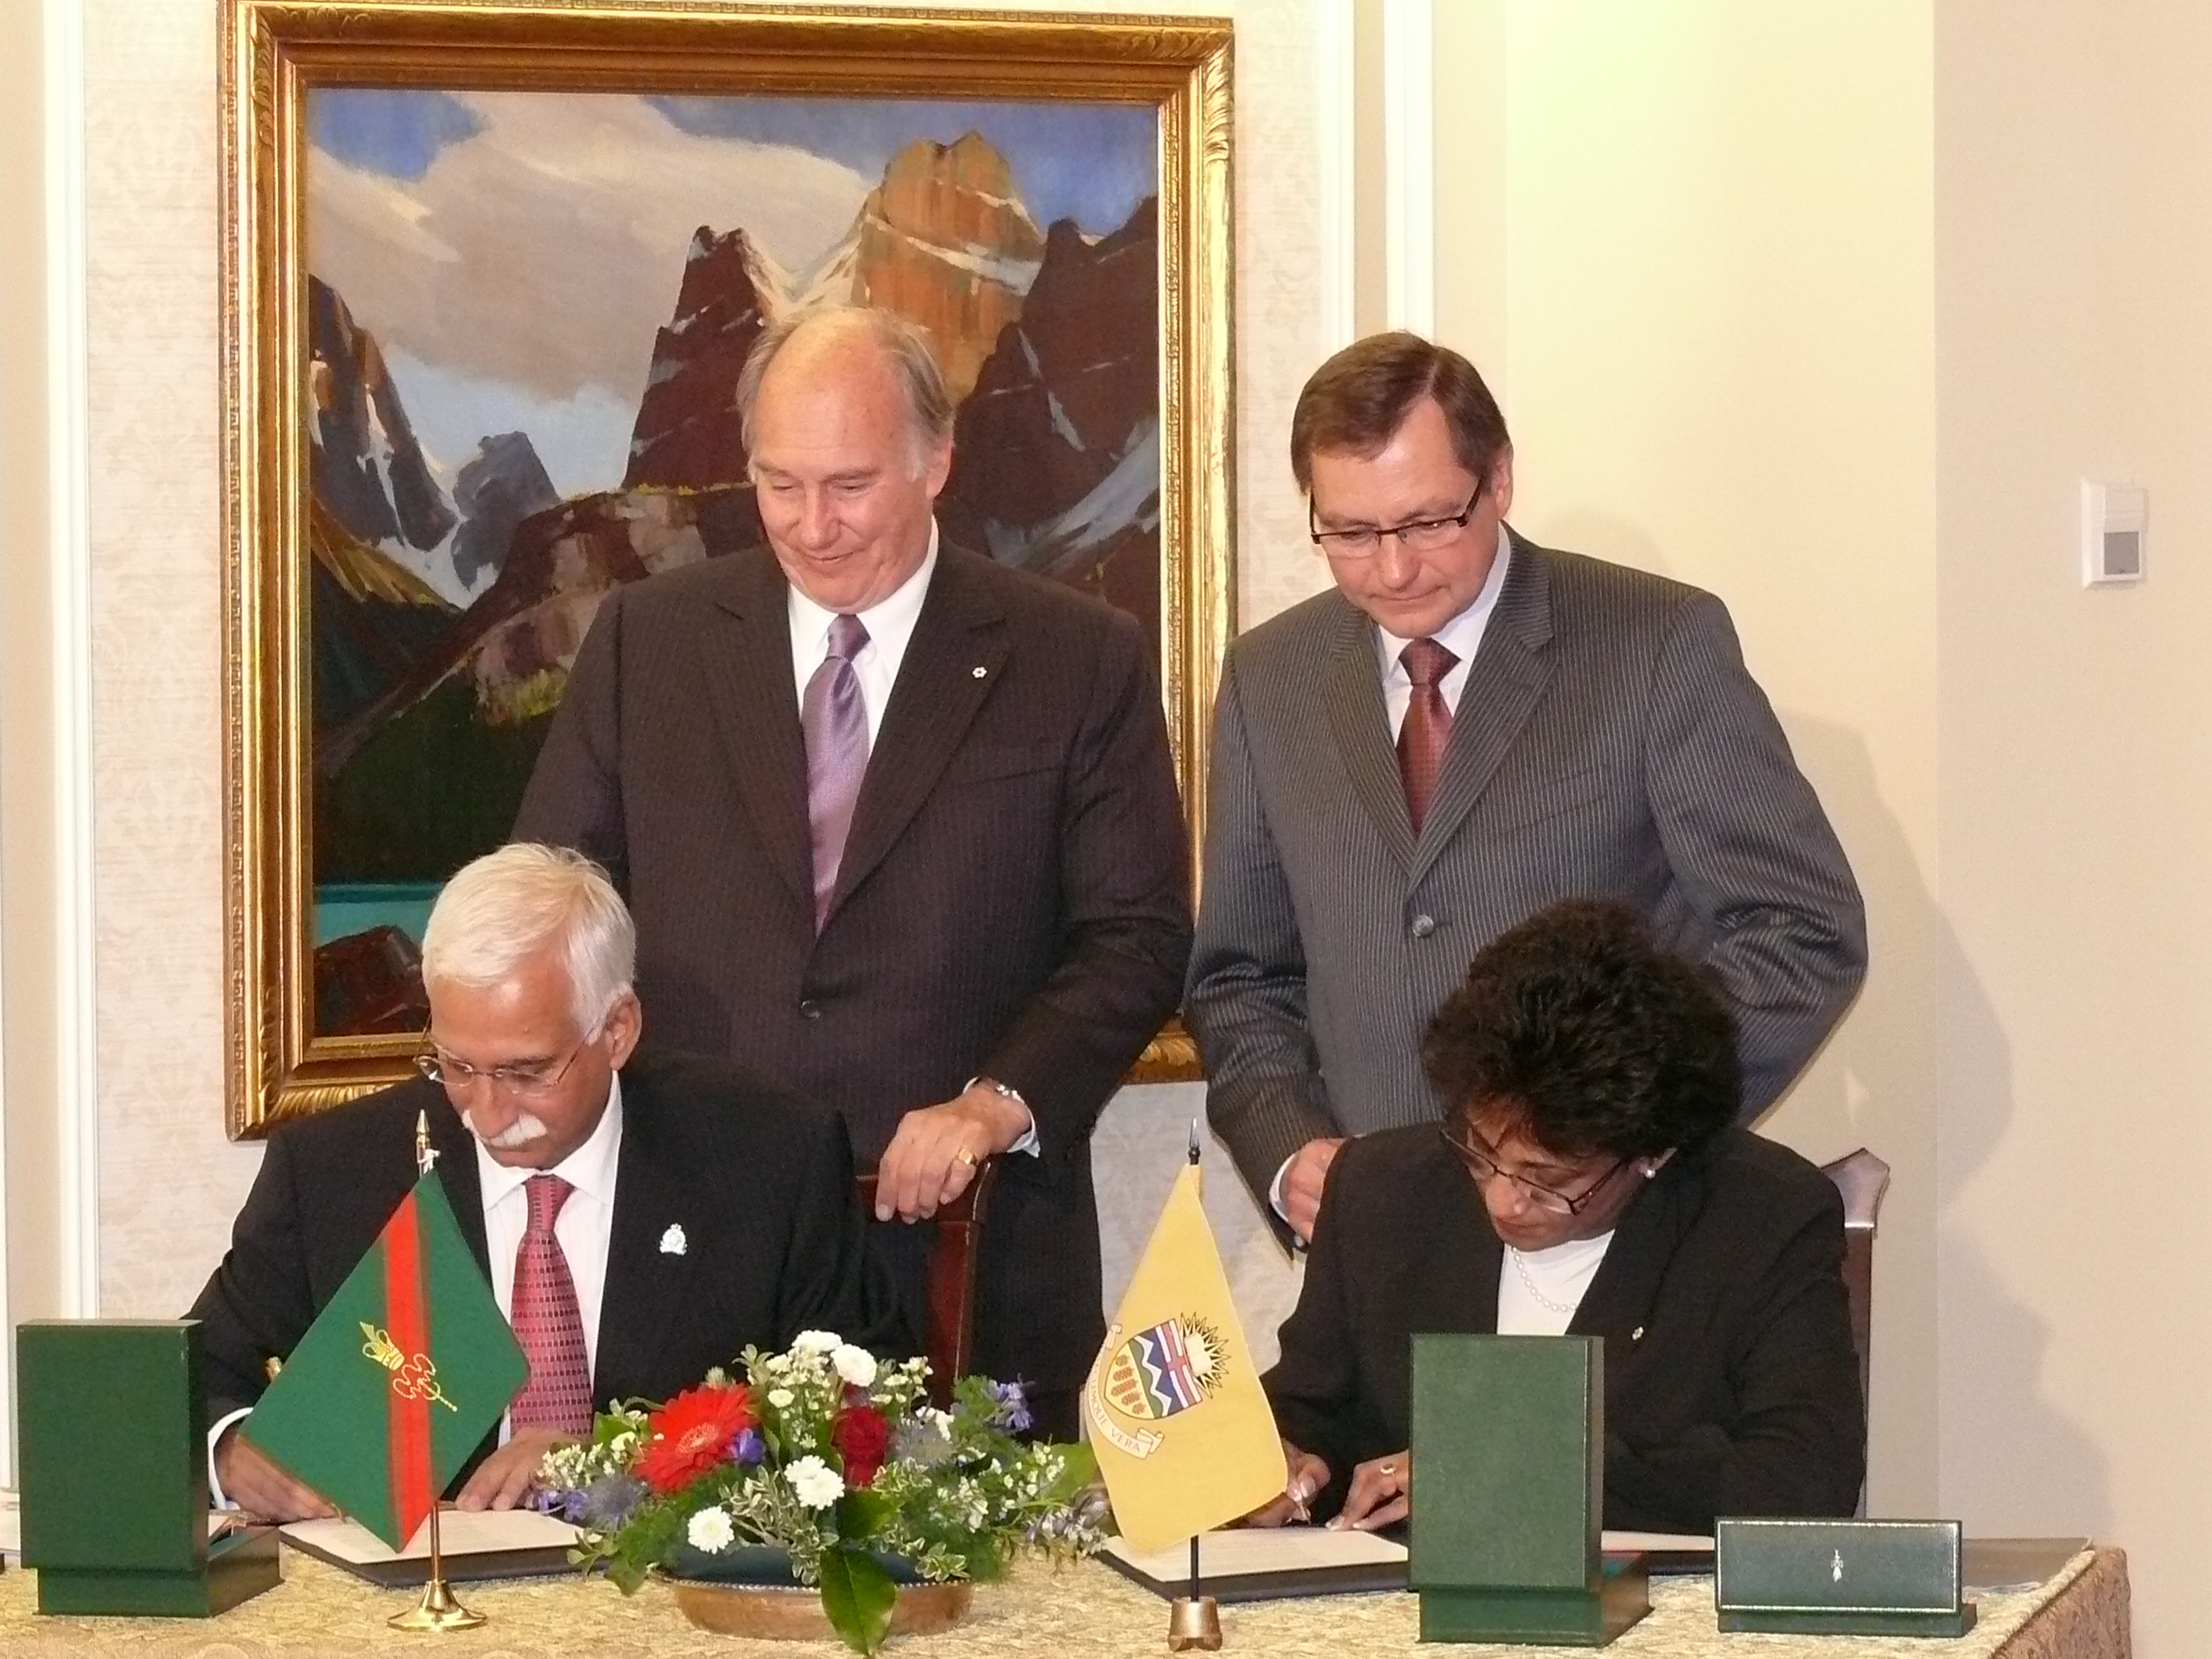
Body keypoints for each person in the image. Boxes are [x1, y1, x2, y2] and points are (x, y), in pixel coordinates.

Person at [513, 305, 1191, 1439]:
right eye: (781, 485)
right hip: (697, 1241)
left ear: (937, 462)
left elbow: (1136, 937)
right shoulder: (650, 641)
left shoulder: (1077, 658)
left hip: (966, 1252)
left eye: (850, 486)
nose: (813, 527)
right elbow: (550, 903)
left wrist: (997, 1101)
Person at [1186, 331, 1866, 1244]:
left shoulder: (1654, 644)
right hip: (1379, 1242)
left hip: (1617, 1237)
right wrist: (1287, 1150)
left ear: (1497, 481)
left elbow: (1800, 931)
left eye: (1427, 522)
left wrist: (1614, 1141)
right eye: (1348, 533)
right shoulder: (1271, 678)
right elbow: (1239, 975)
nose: (1391, 569)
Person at [189, 843, 878, 1521]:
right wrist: (232, 1456)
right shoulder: (337, 1171)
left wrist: (615, 1459)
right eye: (455, 1066)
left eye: (525, 1072)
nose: (486, 1114)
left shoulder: (766, 1158)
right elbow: (191, 1384)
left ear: (616, 1030)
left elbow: (861, 1402)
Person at [1249, 899, 1866, 1536]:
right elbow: (1312, 1407)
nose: (1503, 1202)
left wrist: (1514, 1473)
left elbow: (1803, 1477)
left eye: (1549, 1182)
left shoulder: (1760, 1217)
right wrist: (1287, 1458)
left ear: (1651, 1154)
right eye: (1483, 1155)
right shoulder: (1381, 1190)